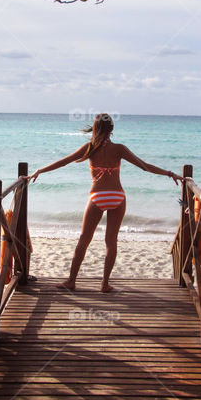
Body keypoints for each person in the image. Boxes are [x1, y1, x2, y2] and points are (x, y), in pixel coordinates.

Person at [28, 114, 180, 292]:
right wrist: (170, 173)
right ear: (112, 130)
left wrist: (39, 170)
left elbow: (63, 162)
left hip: (98, 196)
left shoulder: (89, 148)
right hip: (117, 196)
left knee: (84, 240)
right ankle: (105, 284)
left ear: (95, 129)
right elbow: (145, 166)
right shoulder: (120, 149)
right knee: (111, 242)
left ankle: (71, 281)